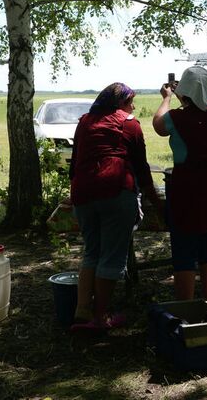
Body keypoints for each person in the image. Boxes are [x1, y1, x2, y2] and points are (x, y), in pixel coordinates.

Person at [68, 82, 160, 332]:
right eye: (130, 102)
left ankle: (82, 311)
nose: (133, 107)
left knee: (92, 252)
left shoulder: (85, 121)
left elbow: (75, 163)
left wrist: (73, 192)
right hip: (115, 192)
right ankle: (100, 319)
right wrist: (155, 200)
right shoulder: (129, 123)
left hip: (83, 193)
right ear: (119, 104)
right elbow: (142, 169)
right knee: (110, 257)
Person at [152, 66, 207, 301]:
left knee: (184, 251)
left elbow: (158, 125)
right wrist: (188, 100)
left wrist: (168, 98)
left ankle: (188, 308)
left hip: (186, 187)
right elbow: (205, 118)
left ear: (185, 92)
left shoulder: (176, 117)